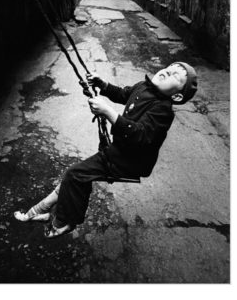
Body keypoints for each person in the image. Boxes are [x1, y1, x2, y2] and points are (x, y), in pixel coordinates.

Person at [13, 62, 198, 239]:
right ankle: (41, 211)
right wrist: (102, 84)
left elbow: (140, 135)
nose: (168, 71)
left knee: (75, 175)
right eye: (169, 68)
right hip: (118, 151)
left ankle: (63, 222)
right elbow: (122, 94)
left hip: (130, 161)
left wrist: (108, 112)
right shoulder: (143, 86)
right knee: (73, 179)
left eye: (176, 75)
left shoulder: (163, 111)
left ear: (177, 97)